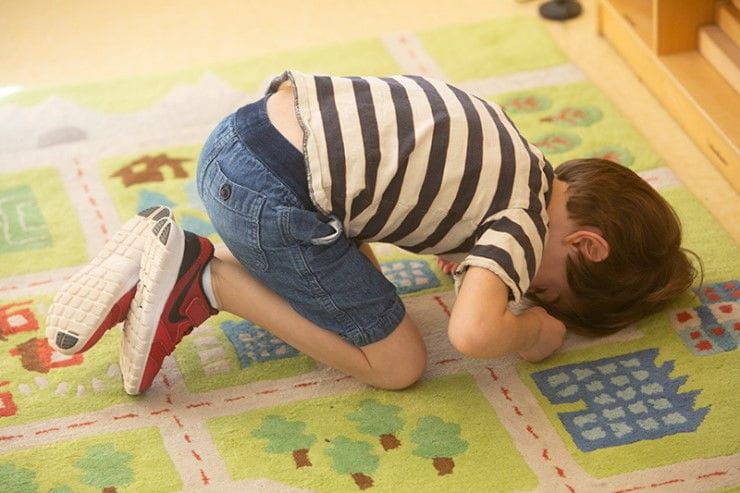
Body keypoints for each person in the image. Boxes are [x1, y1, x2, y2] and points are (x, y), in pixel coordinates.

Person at [45, 71, 698, 395]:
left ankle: (148, 255)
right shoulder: (523, 225)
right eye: (548, 290)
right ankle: (208, 279)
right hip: (270, 199)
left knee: (368, 274)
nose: (527, 289)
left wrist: (467, 256)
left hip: (242, 136)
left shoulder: (513, 154)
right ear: (585, 244)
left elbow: (409, 162)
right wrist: (535, 333)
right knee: (399, 362)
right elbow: (473, 333)